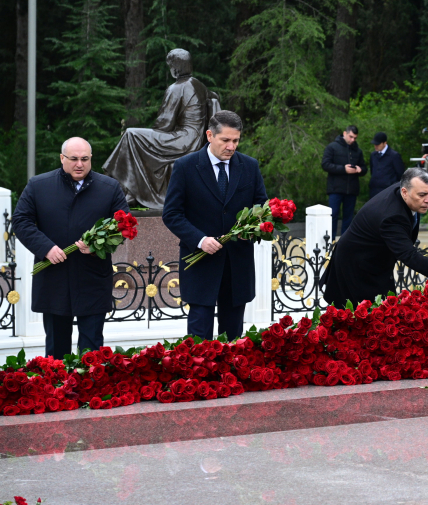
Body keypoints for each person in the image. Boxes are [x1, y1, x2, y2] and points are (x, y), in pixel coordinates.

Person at [12, 137, 129, 359]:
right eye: (73, 159)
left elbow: (124, 225)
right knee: (57, 346)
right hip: (54, 275)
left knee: (92, 346)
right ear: (62, 158)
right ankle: (56, 389)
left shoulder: (109, 187)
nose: (79, 164)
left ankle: (89, 388)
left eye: (85, 159)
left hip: (92, 276)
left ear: (91, 158)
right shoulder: (39, 185)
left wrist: (97, 246)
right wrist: (46, 248)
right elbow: (21, 221)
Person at [162, 111, 268, 341]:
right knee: (199, 339)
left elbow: (262, 208)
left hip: (237, 265)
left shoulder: (249, 166)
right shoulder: (185, 167)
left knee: (233, 338)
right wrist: (200, 240)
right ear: (210, 135)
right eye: (225, 140)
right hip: (200, 265)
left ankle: (230, 376)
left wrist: (253, 228)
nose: (231, 146)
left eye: (236, 140)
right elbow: (171, 214)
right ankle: (201, 377)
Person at [323, 168, 428, 307]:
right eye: (422, 195)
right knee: (361, 321)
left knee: (384, 316)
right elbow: (408, 255)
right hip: (355, 268)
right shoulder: (392, 217)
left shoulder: (405, 194)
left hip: (374, 264)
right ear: (405, 192)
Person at [103, 48, 221, 209]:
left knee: (131, 134)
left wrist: (152, 132)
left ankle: (124, 188)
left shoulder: (177, 87)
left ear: (176, 67)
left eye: (171, 66)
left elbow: (164, 124)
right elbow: (214, 97)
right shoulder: (198, 84)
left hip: (183, 140)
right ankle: (129, 190)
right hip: (194, 138)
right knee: (135, 136)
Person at [321, 125, 367, 237]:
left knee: (348, 218)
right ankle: (329, 242)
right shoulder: (332, 147)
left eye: (355, 138)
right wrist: (343, 169)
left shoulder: (358, 151)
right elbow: (325, 165)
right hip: (335, 189)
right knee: (333, 216)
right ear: (344, 133)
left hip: (351, 190)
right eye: (351, 137)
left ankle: (345, 242)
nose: (352, 140)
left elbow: (364, 168)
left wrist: (359, 170)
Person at [368, 132, 405, 199]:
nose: (376, 146)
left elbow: (400, 174)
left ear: (384, 143)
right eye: (375, 144)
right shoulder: (373, 155)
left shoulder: (394, 156)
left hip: (388, 191)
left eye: (378, 144)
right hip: (374, 190)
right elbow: (372, 170)